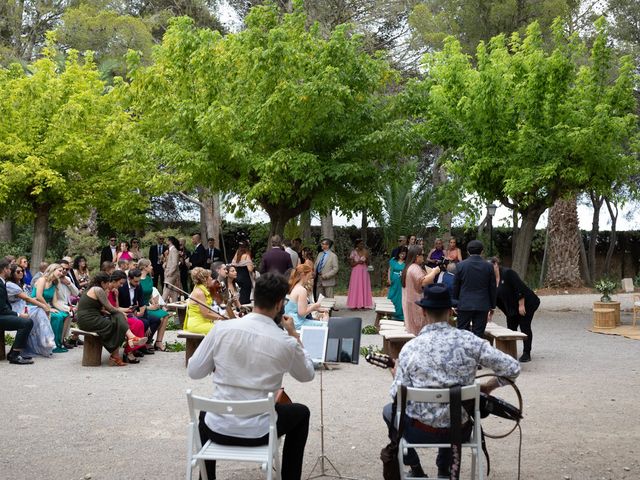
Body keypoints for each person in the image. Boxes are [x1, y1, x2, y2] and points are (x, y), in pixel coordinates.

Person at [383, 283, 520, 478]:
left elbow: (397, 395)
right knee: (454, 408)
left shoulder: (410, 349)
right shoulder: (471, 341)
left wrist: (397, 373)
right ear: (450, 311)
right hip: (459, 431)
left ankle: (414, 467)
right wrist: (489, 386)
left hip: (419, 431)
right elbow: (513, 368)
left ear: (423, 312)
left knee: (389, 410)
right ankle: (444, 470)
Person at [188, 272, 315, 480]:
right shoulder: (285, 342)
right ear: (279, 303)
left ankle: (206, 477)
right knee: (301, 413)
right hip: (260, 432)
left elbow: (194, 371)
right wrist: (293, 334)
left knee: (205, 412)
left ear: (255, 298)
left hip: (218, 428)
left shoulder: (221, 329)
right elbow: (307, 374)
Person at [76, 272, 147, 366]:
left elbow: (102, 309)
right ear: (102, 283)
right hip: (88, 320)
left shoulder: (93, 289)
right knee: (117, 322)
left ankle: (121, 349)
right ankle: (124, 346)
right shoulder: (98, 289)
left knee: (117, 318)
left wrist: (118, 312)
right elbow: (110, 308)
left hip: (88, 319)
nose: (108, 285)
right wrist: (121, 313)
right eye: (107, 283)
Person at [490, 257, 539, 363]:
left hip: (527, 303)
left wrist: (521, 305)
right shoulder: (491, 279)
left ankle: (527, 353)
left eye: (490, 266)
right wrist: (491, 311)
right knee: (511, 328)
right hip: (511, 307)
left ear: (496, 264)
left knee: (524, 326)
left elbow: (520, 287)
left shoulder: (508, 273)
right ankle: (510, 352)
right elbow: (494, 297)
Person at [6, 263, 55, 357]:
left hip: (22, 306)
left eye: (22, 271)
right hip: (15, 309)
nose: (21, 273)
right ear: (12, 273)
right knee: (39, 311)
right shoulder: (10, 285)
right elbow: (27, 298)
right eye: (18, 272)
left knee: (38, 311)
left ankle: (44, 341)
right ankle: (46, 340)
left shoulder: (19, 283)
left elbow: (26, 298)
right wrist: (44, 306)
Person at [453, 240, 496, 338]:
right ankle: (476, 353)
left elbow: (456, 286)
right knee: (479, 334)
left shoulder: (460, 266)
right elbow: (492, 287)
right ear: (482, 251)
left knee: (462, 333)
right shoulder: (489, 266)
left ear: (468, 251)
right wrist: (492, 305)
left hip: (464, 303)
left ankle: (464, 353)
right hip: (482, 304)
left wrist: (455, 303)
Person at [0, 259, 35, 364]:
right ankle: (14, 355)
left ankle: (13, 353)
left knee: (27, 320)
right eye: (9, 268)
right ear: (4, 269)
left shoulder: (2, 282)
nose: (10, 270)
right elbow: (2, 308)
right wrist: (18, 314)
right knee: (26, 322)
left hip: (2, 314)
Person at [401, 246, 441, 335]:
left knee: (412, 330)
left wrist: (429, 273)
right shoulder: (414, 268)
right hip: (416, 304)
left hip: (410, 302)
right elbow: (424, 282)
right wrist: (434, 272)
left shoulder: (409, 267)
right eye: (422, 254)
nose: (423, 256)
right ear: (417, 256)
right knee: (418, 332)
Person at [32, 263, 70, 353]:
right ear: (52, 270)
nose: (61, 273)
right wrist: (48, 307)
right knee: (57, 317)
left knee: (64, 314)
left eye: (62, 271)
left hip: (45, 306)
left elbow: (55, 302)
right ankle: (51, 344)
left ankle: (59, 342)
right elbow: (39, 296)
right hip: (35, 305)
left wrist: (67, 309)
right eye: (59, 271)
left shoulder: (54, 283)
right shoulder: (42, 280)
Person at [138, 259, 171, 351]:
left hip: (149, 305)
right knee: (159, 318)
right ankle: (148, 341)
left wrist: (154, 302)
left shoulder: (149, 278)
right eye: (150, 265)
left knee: (165, 315)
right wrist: (150, 307)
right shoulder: (137, 280)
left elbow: (150, 293)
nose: (152, 267)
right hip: (141, 308)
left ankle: (159, 342)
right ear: (144, 267)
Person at [184, 267, 227, 334]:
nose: (212, 278)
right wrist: (221, 318)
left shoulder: (201, 289)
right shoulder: (200, 293)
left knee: (225, 327)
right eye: (210, 277)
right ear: (205, 279)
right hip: (197, 325)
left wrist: (222, 316)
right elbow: (206, 314)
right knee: (223, 330)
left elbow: (209, 311)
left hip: (204, 322)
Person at [285, 264, 327, 330]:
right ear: (303, 275)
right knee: (324, 324)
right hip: (297, 323)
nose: (309, 279)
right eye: (309, 277)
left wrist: (314, 308)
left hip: (291, 321)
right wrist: (314, 306)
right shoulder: (302, 290)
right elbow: (302, 313)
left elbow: (299, 308)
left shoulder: (295, 286)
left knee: (320, 321)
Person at [346, 238, 373, 310]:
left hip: (364, 271)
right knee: (356, 286)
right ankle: (354, 305)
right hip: (356, 271)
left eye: (363, 244)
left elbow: (368, 263)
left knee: (364, 286)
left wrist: (366, 259)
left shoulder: (366, 252)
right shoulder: (353, 252)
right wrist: (358, 262)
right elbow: (351, 264)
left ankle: (364, 304)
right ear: (357, 244)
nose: (362, 245)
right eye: (360, 244)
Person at [387, 246, 407, 321]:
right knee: (392, 295)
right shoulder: (393, 260)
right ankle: (391, 313)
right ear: (398, 253)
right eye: (401, 254)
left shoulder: (406, 262)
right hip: (394, 280)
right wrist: (389, 279)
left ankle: (400, 315)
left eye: (404, 254)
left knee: (400, 297)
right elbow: (390, 269)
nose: (402, 255)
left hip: (402, 281)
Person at [163, 236, 182, 302]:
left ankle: (161, 305)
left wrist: (170, 272)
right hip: (171, 272)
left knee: (166, 289)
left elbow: (174, 264)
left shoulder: (174, 250)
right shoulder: (171, 250)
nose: (166, 241)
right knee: (174, 290)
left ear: (170, 241)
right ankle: (175, 306)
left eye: (167, 240)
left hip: (172, 273)